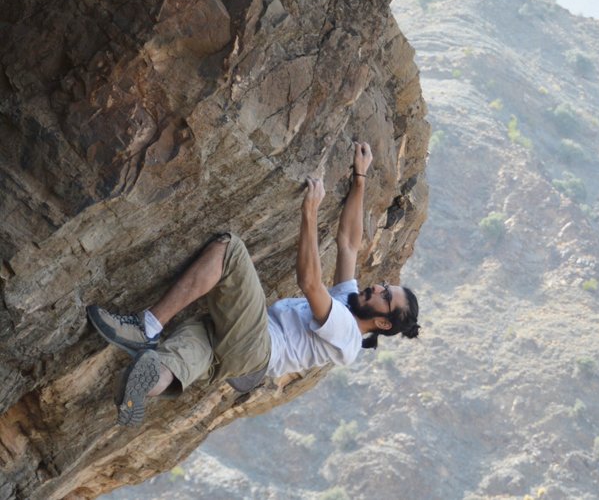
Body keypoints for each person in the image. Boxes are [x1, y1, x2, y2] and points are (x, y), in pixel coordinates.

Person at [87, 141, 419, 426]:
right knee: (187, 351)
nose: (377, 287)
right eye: (384, 285)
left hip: (258, 347)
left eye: (385, 295)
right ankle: (140, 389)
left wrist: (310, 212)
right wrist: (360, 178)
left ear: (383, 321)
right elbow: (348, 242)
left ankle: (145, 327)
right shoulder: (350, 302)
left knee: (230, 249)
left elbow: (310, 283)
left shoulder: (347, 333)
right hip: (244, 359)